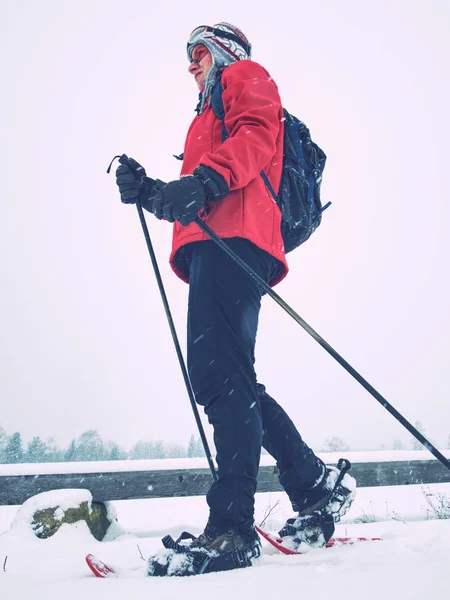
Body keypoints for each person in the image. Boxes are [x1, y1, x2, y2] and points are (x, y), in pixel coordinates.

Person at [115, 22, 356, 577]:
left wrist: (202, 183)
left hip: (236, 242)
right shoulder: (204, 114)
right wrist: (149, 190)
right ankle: (313, 485)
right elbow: (200, 194)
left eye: (198, 52)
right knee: (230, 378)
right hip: (219, 243)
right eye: (189, 56)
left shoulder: (244, 76)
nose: (191, 64)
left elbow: (256, 139)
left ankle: (231, 527)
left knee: (220, 377)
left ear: (224, 51)